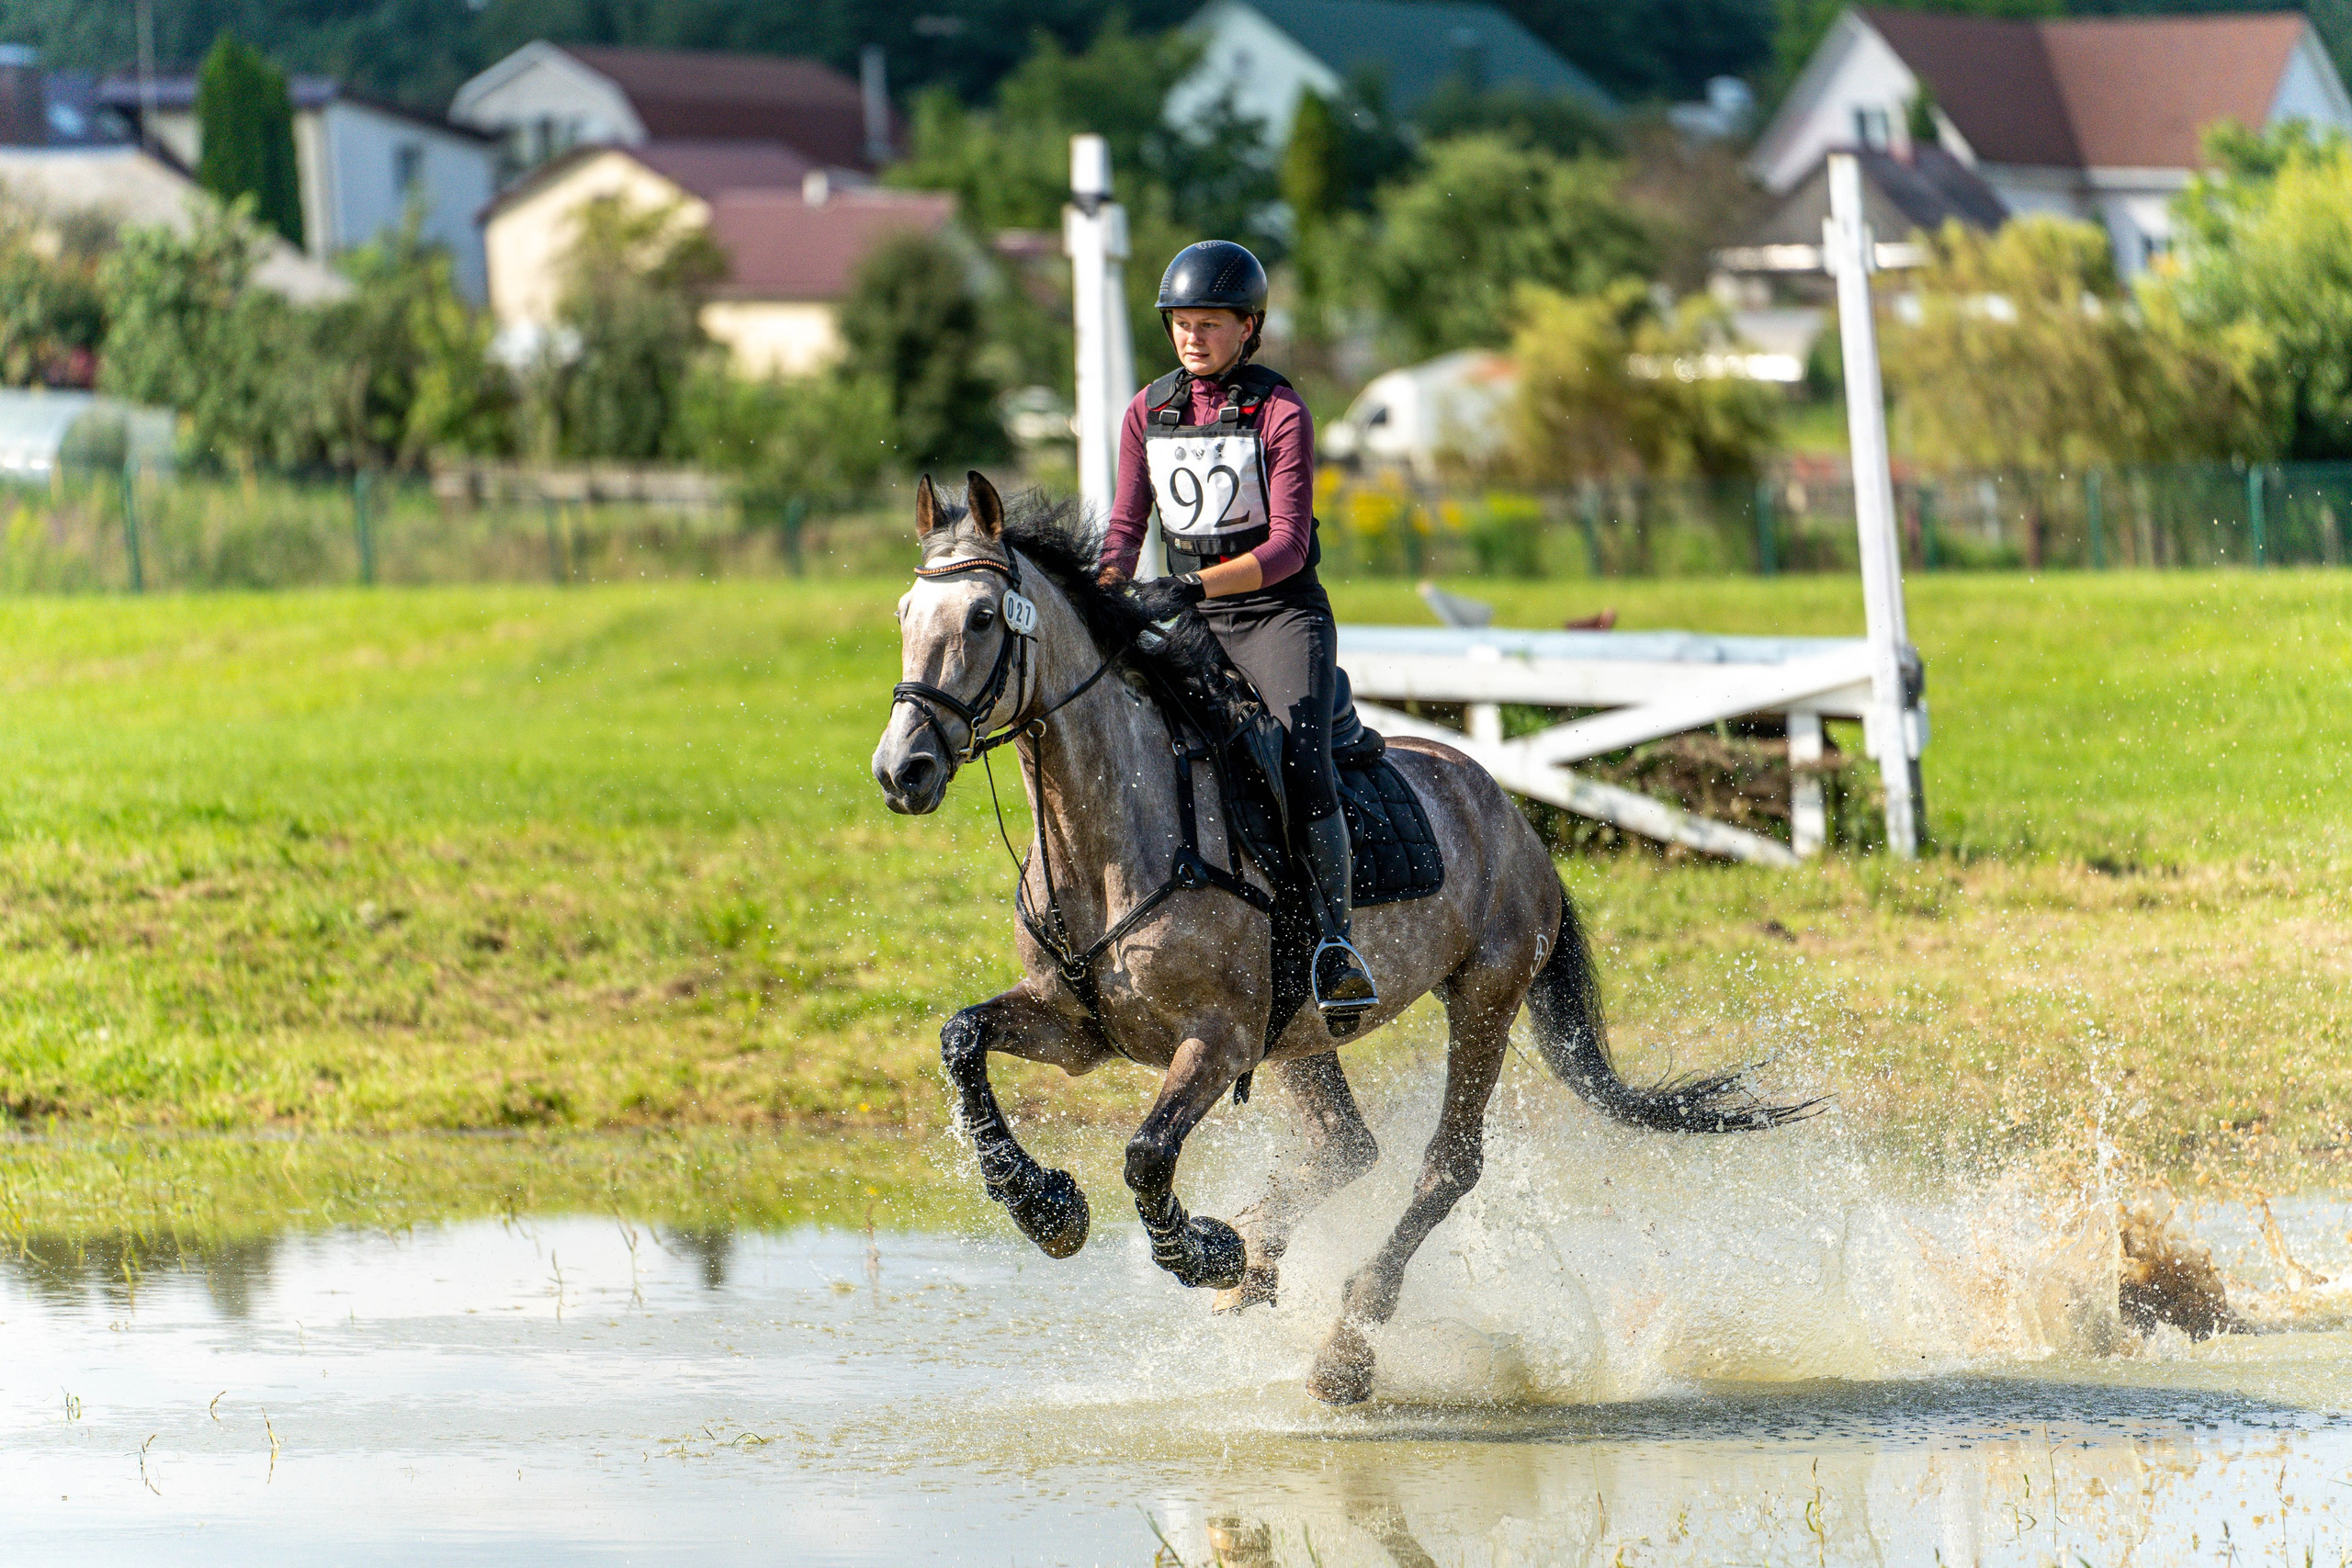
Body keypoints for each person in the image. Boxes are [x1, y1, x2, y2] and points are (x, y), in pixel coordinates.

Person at [1096, 240, 1377, 1033]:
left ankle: (1335, 943)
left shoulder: (1280, 410)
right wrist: (1103, 599)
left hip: (1278, 615)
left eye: (1210, 324)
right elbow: (1125, 529)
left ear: (1248, 327)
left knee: (1301, 759)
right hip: (1190, 620)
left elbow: (1287, 545)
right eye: (1181, 323)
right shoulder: (1147, 411)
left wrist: (1190, 586)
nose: (1192, 337)